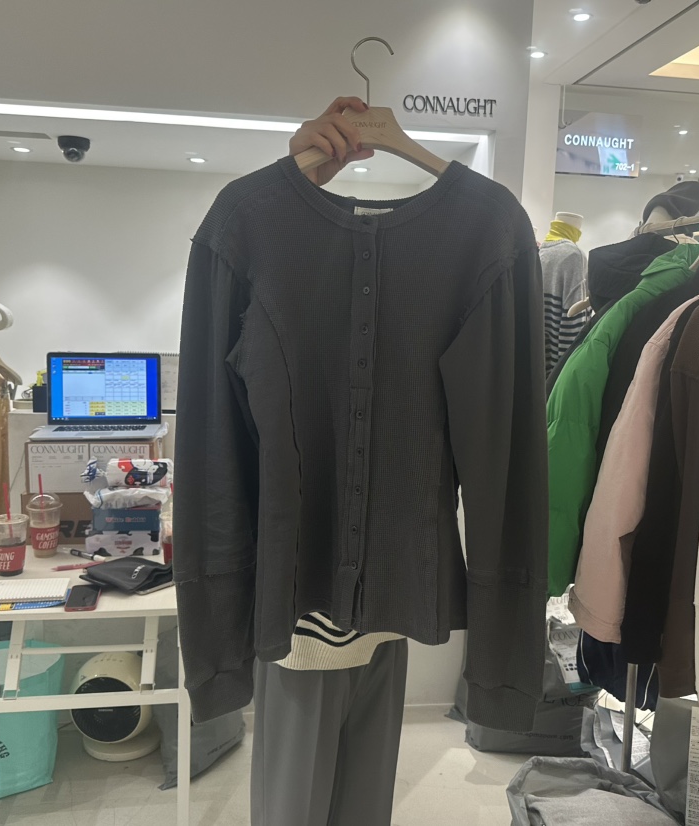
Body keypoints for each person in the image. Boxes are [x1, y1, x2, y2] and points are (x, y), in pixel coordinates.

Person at [249, 97, 408, 826]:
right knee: (296, 802)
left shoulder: (414, 270)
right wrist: (294, 180)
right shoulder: (268, 256)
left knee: (363, 803)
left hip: (389, 603)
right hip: (303, 613)